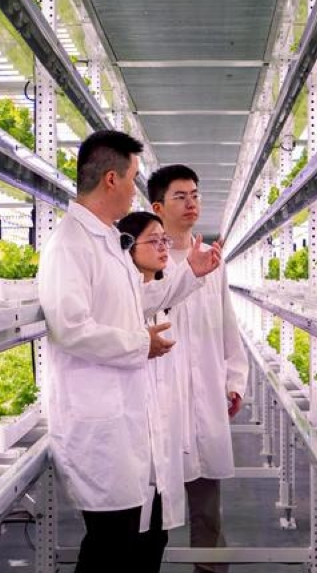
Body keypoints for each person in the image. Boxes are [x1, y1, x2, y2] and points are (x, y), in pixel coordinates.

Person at [36, 131, 222, 573]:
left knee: (137, 541)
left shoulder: (106, 241)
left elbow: (133, 302)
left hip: (126, 423)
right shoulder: (70, 245)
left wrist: (187, 275)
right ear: (112, 180)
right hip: (99, 427)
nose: (137, 189)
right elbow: (70, 327)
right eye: (135, 178)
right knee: (108, 549)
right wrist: (143, 344)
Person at [148, 165, 249, 573]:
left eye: (195, 195)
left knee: (207, 510)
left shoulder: (214, 262)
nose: (192, 204)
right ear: (157, 206)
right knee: (151, 514)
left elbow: (228, 326)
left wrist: (234, 381)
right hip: (158, 401)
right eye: (180, 197)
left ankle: (209, 572)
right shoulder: (143, 261)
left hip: (205, 395)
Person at [116, 211, 189, 570]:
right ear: (128, 248)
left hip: (158, 447)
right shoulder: (120, 301)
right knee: (120, 546)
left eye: (165, 240)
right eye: (154, 240)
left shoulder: (160, 307)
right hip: (127, 446)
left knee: (155, 538)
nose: (163, 247)